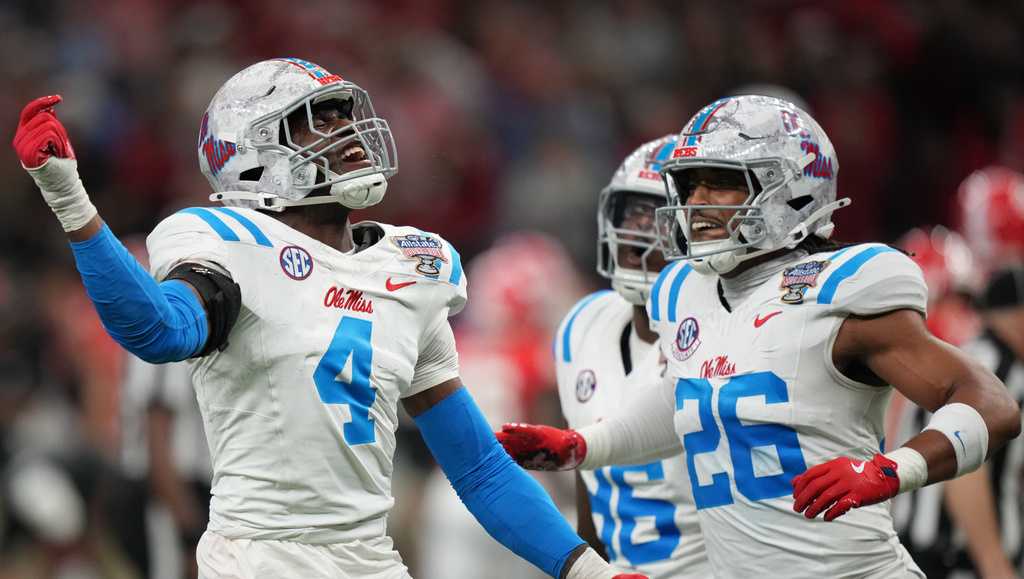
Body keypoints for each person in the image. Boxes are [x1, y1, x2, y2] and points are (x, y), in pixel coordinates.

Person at [12, 58, 646, 579]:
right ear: (252, 154)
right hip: (261, 559)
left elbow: (479, 468)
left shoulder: (410, 270)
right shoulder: (230, 244)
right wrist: (71, 199)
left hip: (370, 558)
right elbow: (158, 331)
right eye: (318, 121)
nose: (348, 130)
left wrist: (593, 573)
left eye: (345, 113)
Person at [497, 95, 1022, 578]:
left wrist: (891, 469)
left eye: (718, 182)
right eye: (690, 184)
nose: (696, 202)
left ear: (791, 189)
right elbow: (688, 397)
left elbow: (993, 405)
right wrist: (584, 445)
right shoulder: (685, 291)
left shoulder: (840, 288)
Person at [551, 135, 707, 578]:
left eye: (658, 213)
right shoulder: (583, 326)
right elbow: (588, 488)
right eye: (631, 211)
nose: (638, 229)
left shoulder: (718, 334)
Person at [894, 266, 1024, 578]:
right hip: (956, 563)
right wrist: (995, 566)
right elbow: (965, 466)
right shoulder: (1001, 370)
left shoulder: (963, 357)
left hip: (914, 551)